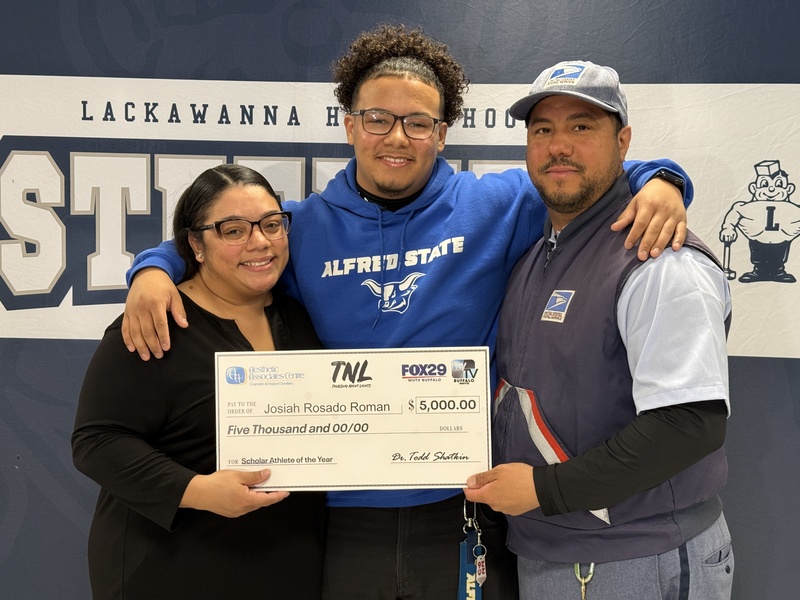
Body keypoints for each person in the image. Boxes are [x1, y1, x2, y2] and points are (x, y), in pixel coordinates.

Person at [120, 25, 694, 600]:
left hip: (465, 502)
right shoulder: (304, 227)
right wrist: (152, 268)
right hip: (343, 512)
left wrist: (664, 181)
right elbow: (228, 242)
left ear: (441, 134)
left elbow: (584, 171)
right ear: (350, 124)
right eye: (378, 118)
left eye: (419, 122)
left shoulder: (499, 203)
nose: (397, 137)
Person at [464, 60, 733, 599]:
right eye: (543, 129)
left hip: (639, 555)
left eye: (582, 127)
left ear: (624, 140)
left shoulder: (659, 260)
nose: (558, 145)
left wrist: (545, 489)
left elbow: (689, 424)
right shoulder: (537, 253)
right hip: (548, 548)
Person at [72, 165, 327, 599]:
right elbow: (96, 442)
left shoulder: (301, 319)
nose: (260, 242)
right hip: (167, 569)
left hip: (283, 566)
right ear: (196, 244)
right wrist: (197, 490)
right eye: (233, 230)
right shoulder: (155, 323)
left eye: (271, 224)